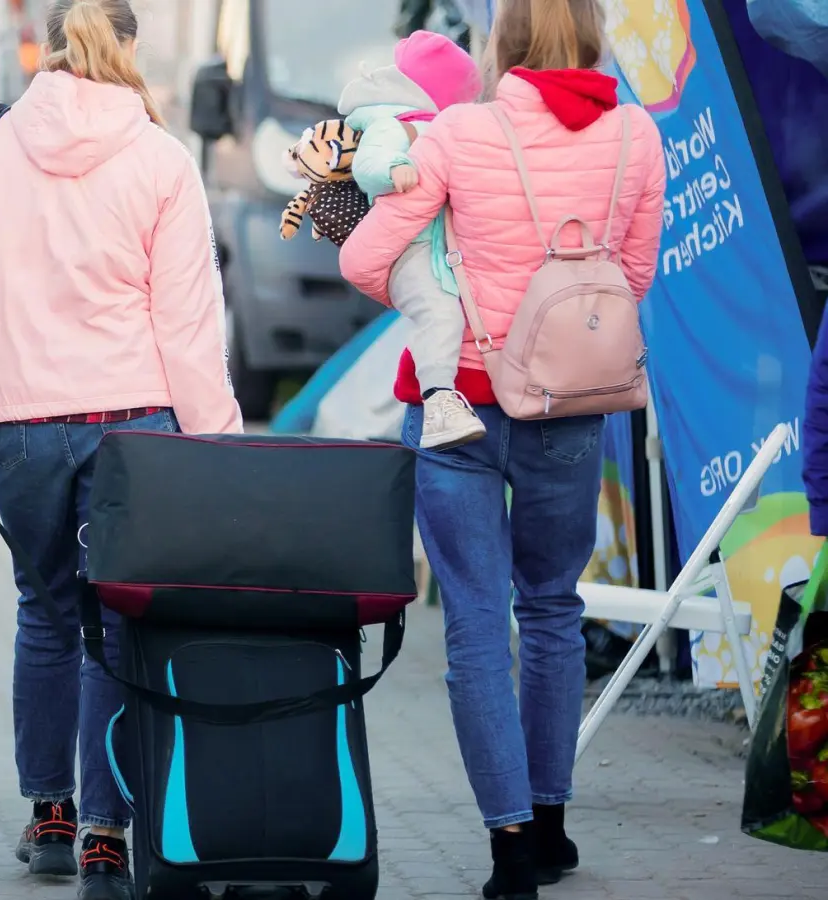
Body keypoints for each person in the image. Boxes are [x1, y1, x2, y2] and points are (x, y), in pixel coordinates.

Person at [0, 2, 242, 896]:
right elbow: (189, 324)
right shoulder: (162, 156)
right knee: (117, 627)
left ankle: (47, 813)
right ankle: (103, 834)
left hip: (22, 427)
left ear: (47, 44)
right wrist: (221, 449)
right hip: (135, 424)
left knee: (45, 613)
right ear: (129, 48)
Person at [337, 1, 666, 897]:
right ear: (593, 35)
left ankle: (510, 846)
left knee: (478, 621)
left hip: (459, 410)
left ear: (504, 40)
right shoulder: (639, 137)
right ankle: (554, 822)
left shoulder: (456, 134)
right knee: (553, 608)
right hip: (570, 398)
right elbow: (632, 277)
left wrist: (448, 299)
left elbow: (366, 258)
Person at [335, 30, 485, 449]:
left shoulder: (436, 124)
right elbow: (370, 163)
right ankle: (439, 403)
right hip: (411, 250)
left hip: (442, 246)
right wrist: (394, 168)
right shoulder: (396, 122)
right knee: (440, 313)